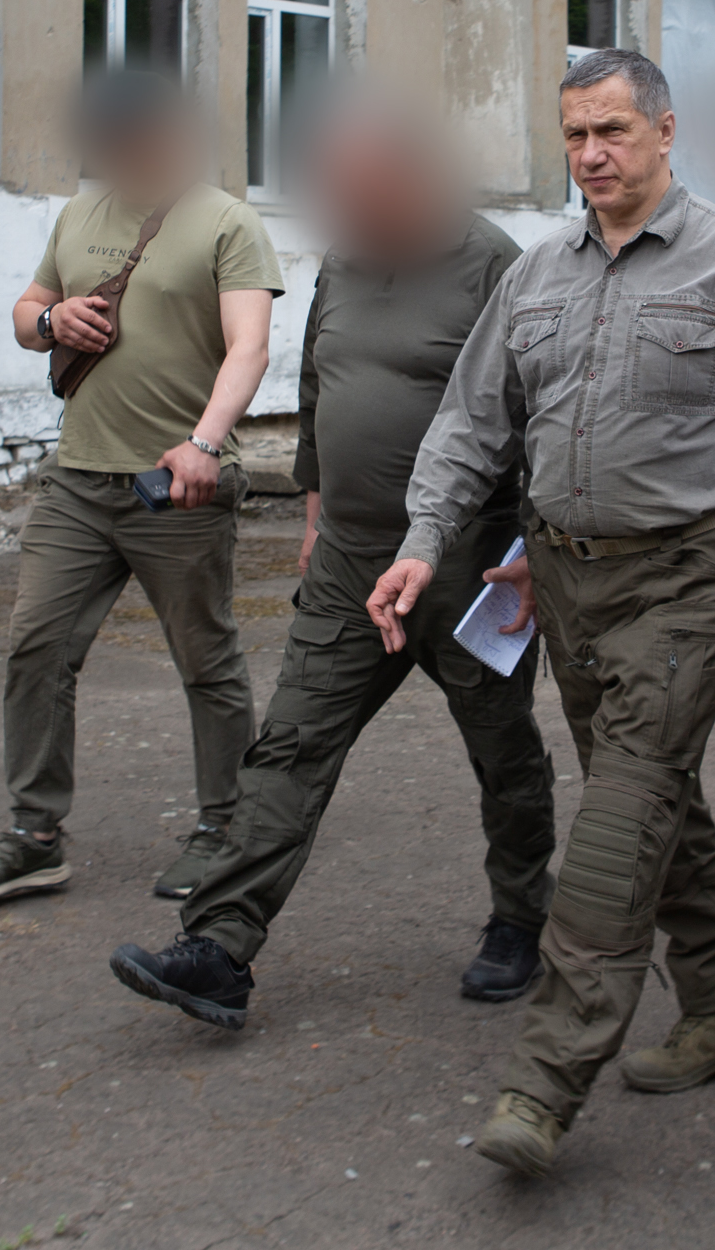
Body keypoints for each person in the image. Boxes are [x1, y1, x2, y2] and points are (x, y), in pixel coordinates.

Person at [370, 47, 715, 1178]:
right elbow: (474, 424)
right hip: (568, 584)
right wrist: (424, 541)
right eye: (576, 134)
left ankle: (545, 1078)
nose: (591, 154)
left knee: (617, 822)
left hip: (688, 579)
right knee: (658, 804)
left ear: (669, 132)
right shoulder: (536, 275)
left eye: (614, 131)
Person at [103, 102, 558, 1026]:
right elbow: (319, 385)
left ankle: (520, 920)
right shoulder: (346, 263)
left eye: (358, 189)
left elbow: (546, 417)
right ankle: (219, 947)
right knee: (291, 748)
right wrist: (315, 509)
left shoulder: (495, 266)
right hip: (351, 560)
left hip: (468, 566)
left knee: (503, 752)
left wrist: (534, 552)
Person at [0, 70, 283, 906]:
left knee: (205, 661)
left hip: (176, 485)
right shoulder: (77, 215)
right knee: (37, 647)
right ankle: (34, 834)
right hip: (78, 480)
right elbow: (28, 312)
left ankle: (224, 827)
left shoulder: (227, 222)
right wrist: (54, 323)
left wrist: (205, 443)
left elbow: (250, 348)